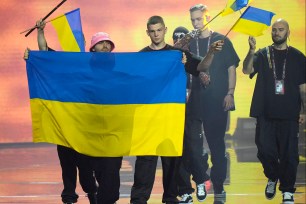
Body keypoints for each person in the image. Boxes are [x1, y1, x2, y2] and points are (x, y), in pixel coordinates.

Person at [130, 16, 203, 204]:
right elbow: (132, 82)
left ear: (165, 30)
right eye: (152, 31)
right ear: (148, 32)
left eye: (159, 30)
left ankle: (171, 198)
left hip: (170, 117)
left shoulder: (177, 54)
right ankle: (139, 199)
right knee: (145, 160)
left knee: (171, 161)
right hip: (148, 117)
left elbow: (201, 66)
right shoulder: (141, 56)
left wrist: (202, 56)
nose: (156, 34)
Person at [34, 19, 98, 204]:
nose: (76, 42)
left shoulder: (92, 63)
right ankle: (69, 197)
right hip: (63, 124)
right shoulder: (62, 61)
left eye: (80, 40)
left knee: (85, 167)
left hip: (84, 127)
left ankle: (92, 192)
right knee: (67, 166)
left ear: (85, 43)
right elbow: (44, 53)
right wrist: (40, 32)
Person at [242, 18, 306, 204]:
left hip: (289, 114)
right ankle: (273, 176)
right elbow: (246, 70)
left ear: (288, 32)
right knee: (264, 151)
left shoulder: (298, 57)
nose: (276, 32)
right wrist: (251, 50)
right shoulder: (262, 54)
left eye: (280, 29)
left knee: (289, 154)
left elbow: (303, 88)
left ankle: (287, 191)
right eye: (274, 30)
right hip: (265, 112)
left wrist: (303, 112)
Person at [188, 3, 240, 201]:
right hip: (196, 101)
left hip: (217, 100)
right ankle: (201, 181)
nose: (195, 23)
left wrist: (231, 93)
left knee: (217, 145)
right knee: (194, 146)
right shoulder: (191, 43)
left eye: (198, 19)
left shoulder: (221, 40)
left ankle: (218, 185)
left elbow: (231, 68)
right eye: (192, 20)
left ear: (208, 18)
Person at [172, 26, 210, 204]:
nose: (180, 40)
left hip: (193, 113)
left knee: (194, 150)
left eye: (183, 37)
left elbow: (206, 76)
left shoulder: (195, 60)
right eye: (177, 38)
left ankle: (200, 181)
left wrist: (204, 76)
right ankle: (185, 191)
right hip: (175, 113)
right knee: (179, 154)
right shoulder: (169, 60)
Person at [88, 32, 123, 204]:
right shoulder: (84, 70)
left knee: (111, 169)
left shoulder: (118, 72)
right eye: (101, 43)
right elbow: (56, 65)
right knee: (98, 171)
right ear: (93, 47)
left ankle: (106, 200)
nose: (105, 46)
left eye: (108, 43)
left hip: (114, 131)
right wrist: (36, 57)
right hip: (91, 132)